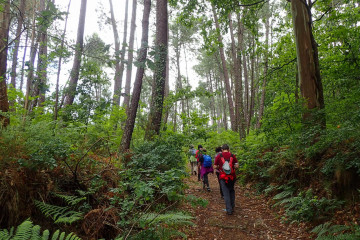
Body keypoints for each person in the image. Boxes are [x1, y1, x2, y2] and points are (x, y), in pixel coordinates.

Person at [214, 144, 239, 215]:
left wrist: (219, 167)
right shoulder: (232, 155)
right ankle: (232, 206)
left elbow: (215, 166)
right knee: (231, 190)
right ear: (228, 149)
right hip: (232, 176)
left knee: (226, 193)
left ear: (222, 150)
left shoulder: (219, 156)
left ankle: (229, 210)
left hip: (223, 177)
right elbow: (237, 166)